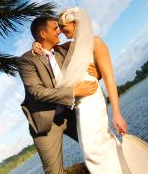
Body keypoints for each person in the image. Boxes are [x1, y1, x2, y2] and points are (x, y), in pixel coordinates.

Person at [32, 7, 148, 174]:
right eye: (58, 28)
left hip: (93, 103)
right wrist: (35, 43)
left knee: (94, 151)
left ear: (75, 23)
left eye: (63, 27)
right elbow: (47, 48)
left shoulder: (96, 43)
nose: (61, 31)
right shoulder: (68, 48)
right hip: (80, 107)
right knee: (97, 149)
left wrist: (117, 113)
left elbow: (109, 79)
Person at [17, 15, 101, 174]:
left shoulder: (64, 50)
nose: (59, 32)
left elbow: (91, 44)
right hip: (45, 125)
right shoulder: (26, 60)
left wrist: (97, 72)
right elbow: (37, 92)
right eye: (55, 28)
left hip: (71, 115)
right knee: (54, 172)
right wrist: (74, 91)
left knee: (97, 146)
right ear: (43, 34)